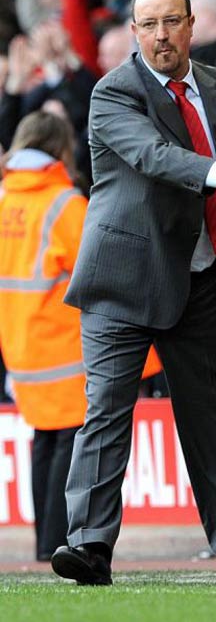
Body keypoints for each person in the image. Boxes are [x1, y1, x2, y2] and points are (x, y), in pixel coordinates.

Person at [50, 0, 216, 586]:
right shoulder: (113, 92)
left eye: (172, 22)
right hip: (121, 280)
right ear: (134, 34)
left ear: (192, 25)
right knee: (107, 411)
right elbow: (155, 156)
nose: (161, 36)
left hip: (202, 278)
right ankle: (89, 547)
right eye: (149, 26)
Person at [0, 110, 88, 561]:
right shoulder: (65, 204)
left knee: (45, 443)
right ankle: (57, 546)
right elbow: (94, 273)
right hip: (65, 348)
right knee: (68, 445)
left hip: (20, 348)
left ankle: (43, 546)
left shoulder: (4, 200)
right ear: (60, 148)